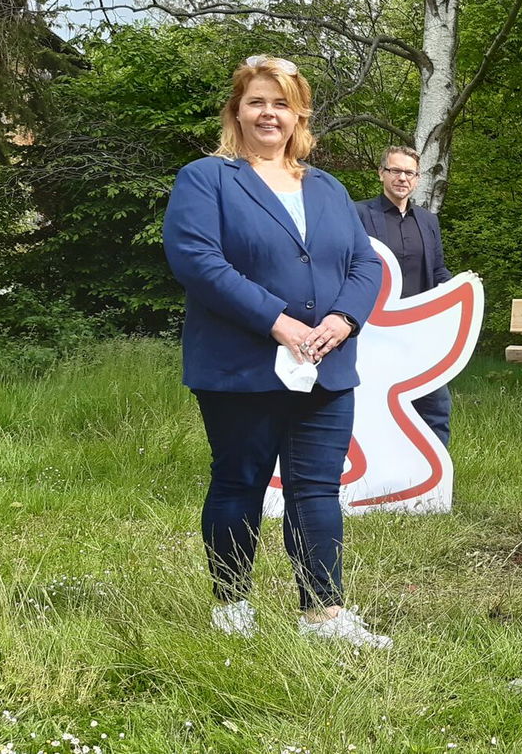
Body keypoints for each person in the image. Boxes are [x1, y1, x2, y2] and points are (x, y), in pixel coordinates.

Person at [164, 55, 390, 648]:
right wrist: (278, 322)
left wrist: (344, 319)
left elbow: (364, 263)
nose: (269, 113)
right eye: (257, 101)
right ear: (236, 111)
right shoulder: (206, 179)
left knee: (317, 489)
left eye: (282, 103)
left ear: (299, 116)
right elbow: (198, 261)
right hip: (240, 363)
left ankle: (323, 616)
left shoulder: (328, 187)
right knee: (239, 482)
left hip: (327, 364)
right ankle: (231, 607)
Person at [357, 145, 455, 444]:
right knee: (373, 406)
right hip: (373, 330)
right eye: (395, 171)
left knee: (436, 407)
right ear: (381, 173)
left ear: (417, 179)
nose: (402, 178)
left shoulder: (427, 221)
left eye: (409, 173)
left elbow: (437, 270)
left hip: (418, 330)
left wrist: (459, 291)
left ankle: (435, 472)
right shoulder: (358, 214)